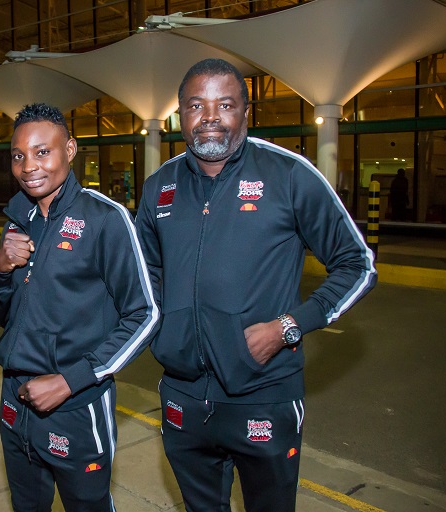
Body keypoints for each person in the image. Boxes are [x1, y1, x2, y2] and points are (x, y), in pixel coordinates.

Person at [135, 58, 377, 511]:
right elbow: (145, 276)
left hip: (264, 395)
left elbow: (357, 264)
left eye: (224, 104)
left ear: (246, 112)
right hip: (182, 393)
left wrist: (288, 326)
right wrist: (163, 332)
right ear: (180, 118)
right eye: (195, 105)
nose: (210, 117)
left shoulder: (288, 175)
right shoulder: (159, 188)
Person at [0, 103, 159, 511]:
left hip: (77, 406)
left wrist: (71, 380)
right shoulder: (18, 219)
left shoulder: (105, 219)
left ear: (70, 150)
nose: (29, 166)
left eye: (42, 151)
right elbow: (4, 314)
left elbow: (145, 314)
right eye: (18, 156)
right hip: (15, 400)